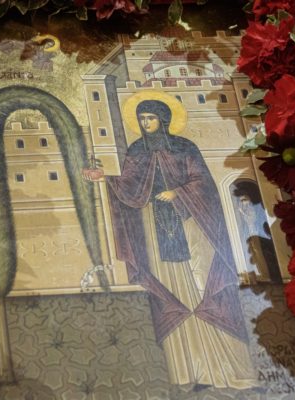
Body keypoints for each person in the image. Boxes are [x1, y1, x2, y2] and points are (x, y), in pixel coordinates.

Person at [85, 91, 257, 389]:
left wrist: (177, 192)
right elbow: (130, 187)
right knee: (174, 294)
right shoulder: (137, 150)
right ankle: (191, 373)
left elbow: (203, 182)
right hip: (157, 231)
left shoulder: (184, 147)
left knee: (204, 286)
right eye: (141, 118)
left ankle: (231, 371)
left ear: (163, 119)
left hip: (191, 226)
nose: (145, 123)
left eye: (151, 118)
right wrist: (106, 178)